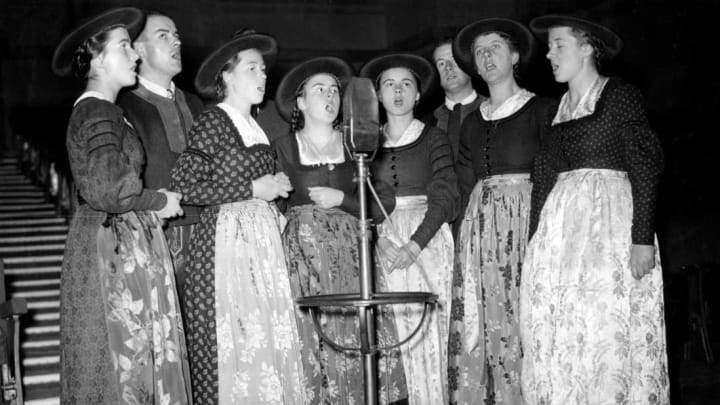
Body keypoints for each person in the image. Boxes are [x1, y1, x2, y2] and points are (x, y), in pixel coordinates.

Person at [520, 14, 669, 404]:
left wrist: (642, 239)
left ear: (587, 48)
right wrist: (534, 241)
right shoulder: (559, 107)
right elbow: (546, 174)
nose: (549, 54)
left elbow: (645, 164)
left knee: (605, 329)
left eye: (559, 45)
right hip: (561, 238)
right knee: (567, 332)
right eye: (549, 46)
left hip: (608, 232)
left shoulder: (619, 95)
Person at [52, 7, 189, 404]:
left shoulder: (110, 111)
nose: (134, 55)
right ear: (97, 58)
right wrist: (157, 199)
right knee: (121, 362)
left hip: (119, 240)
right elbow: (110, 189)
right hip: (109, 248)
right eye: (125, 46)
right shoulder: (97, 110)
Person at [170, 31, 306, 404]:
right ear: (227, 76)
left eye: (263, 69)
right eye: (251, 69)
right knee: (236, 342)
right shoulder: (214, 120)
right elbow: (184, 185)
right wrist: (251, 190)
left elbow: (261, 184)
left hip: (261, 246)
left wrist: (274, 190)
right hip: (225, 248)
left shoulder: (260, 126)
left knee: (264, 340)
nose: (262, 76)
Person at [274, 56, 407, 405]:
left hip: (352, 258)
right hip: (305, 263)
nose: (330, 96)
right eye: (319, 90)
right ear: (300, 102)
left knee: (356, 335)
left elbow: (383, 203)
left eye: (334, 90)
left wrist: (343, 200)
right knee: (315, 339)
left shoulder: (356, 144)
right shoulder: (283, 148)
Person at [446, 18, 556, 404]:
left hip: (527, 227)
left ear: (513, 55)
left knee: (525, 323)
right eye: (479, 52)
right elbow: (462, 183)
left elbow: (553, 175)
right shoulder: (473, 123)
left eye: (494, 47)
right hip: (480, 234)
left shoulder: (542, 110)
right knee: (487, 325)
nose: (486, 56)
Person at [360, 53, 459, 405]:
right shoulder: (364, 144)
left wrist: (415, 245)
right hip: (382, 245)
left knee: (427, 333)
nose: (398, 92)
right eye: (389, 84)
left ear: (418, 95)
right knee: (390, 336)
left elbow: (447, 195)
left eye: (406, 84)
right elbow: (358, 197)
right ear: (378, 95)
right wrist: (377, 237)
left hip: (427, 244)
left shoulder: (434, 139)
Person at [117, 10, 204, 306]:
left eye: (177, 36)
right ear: (138, 49)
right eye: (163, 36)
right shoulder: (122, 105)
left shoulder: (196, 103)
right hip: (155, 233)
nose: (176, 43)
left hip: (206, 231)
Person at [430, 38, 486, 162]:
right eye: (441, 64)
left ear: (469, 65)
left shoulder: (495, 111)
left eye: (453, 60)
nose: (448, 68)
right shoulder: (427, 123)